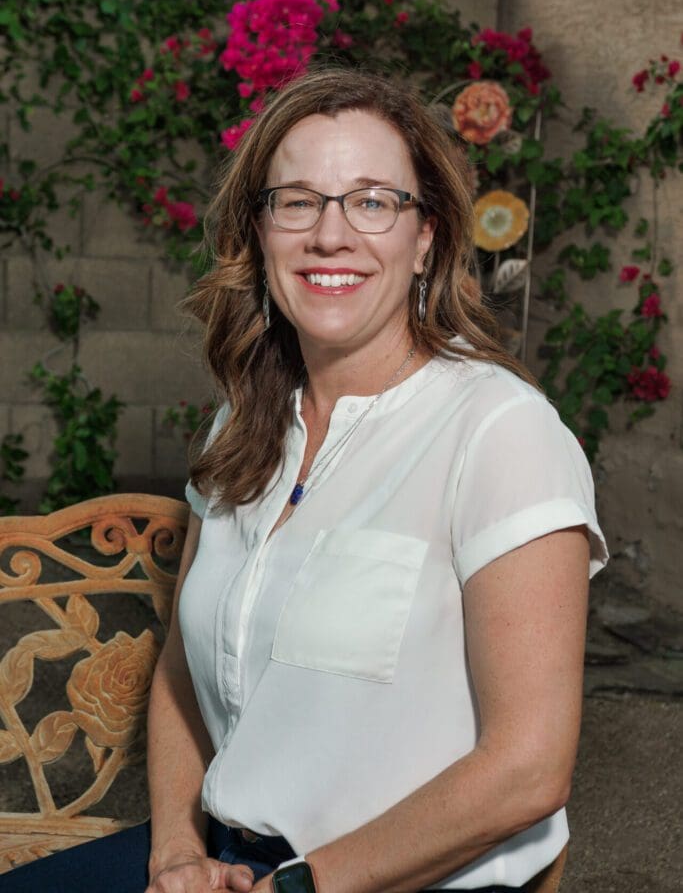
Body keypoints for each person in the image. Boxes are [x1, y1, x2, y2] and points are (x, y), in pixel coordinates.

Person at [0, 68, 607, 893]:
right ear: (257, 231)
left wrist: (298, 886)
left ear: (424, 235)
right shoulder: (242, 423)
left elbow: (527, 771)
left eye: (371, 200)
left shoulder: (499, 430)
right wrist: (177, 850)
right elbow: (182, 665)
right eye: (296, 200)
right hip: (221, 859)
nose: (331, 235)